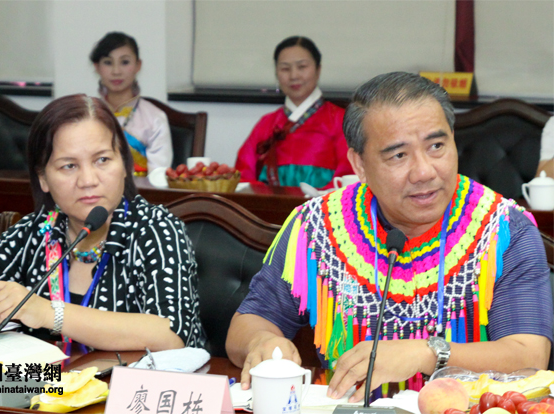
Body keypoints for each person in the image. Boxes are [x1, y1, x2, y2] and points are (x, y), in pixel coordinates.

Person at [226, 72, 552, 402]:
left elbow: (529, 356)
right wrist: (261, 342)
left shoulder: (504, 230)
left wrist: (427, 353)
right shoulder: (318, 227)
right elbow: (249, 323)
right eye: (398, 155)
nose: (424, 171)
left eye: (437, 146)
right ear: (359, 164)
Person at [0, 94, 205, 351]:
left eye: (102, 160)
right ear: (43, 178)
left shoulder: (156, 229)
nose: (88, 180)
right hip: (49, 377)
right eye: (69, 166)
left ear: (124, 165)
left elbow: (171, 333)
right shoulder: (38, 230)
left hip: (135, 378)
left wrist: (48, 312)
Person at [235, 36, 352, 189]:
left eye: (302, 67)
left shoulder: (340, 121)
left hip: (325, 204)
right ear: (276, 73)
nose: (294, 76)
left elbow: (348, 178)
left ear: (318, 70)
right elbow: (242, 177)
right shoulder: (266, 123)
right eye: (285, 69)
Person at [91, 32, 173, 176]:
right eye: (108, 62)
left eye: (125, 62)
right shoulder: (87, 115)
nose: (116, 71)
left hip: (141, 190)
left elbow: (158, 177)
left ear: (138, 65)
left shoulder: (155, 118)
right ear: (97, 67)